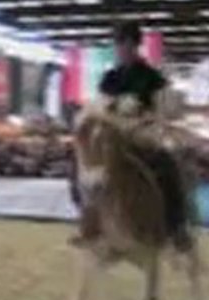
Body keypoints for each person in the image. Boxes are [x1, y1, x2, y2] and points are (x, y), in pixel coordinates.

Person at [70, 21, 194, 250]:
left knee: (167, 165)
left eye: (125, 44)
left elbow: (161, 109)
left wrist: (148, 119)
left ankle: (177, 227)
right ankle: (88, 222)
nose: (121, 49)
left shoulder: (152, 77)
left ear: (135, 45)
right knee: (80, 167)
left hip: (140, 134)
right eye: (119, 44)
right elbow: (100, 105)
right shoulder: (110, 77)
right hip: (111, 133)